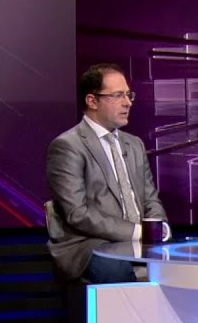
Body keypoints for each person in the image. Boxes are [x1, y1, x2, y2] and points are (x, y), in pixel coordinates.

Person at [45, 63, 167, 286]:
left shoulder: (134, 144)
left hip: (138, 240)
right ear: (92, 101)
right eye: (118, 95)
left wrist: (158, 228)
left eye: (128, 95)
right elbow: (77, 213)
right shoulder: (68, 146)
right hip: (89, 244)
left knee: (181, 261)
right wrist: (136, 232)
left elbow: (150, 199)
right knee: (115, 269)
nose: (128, 102)